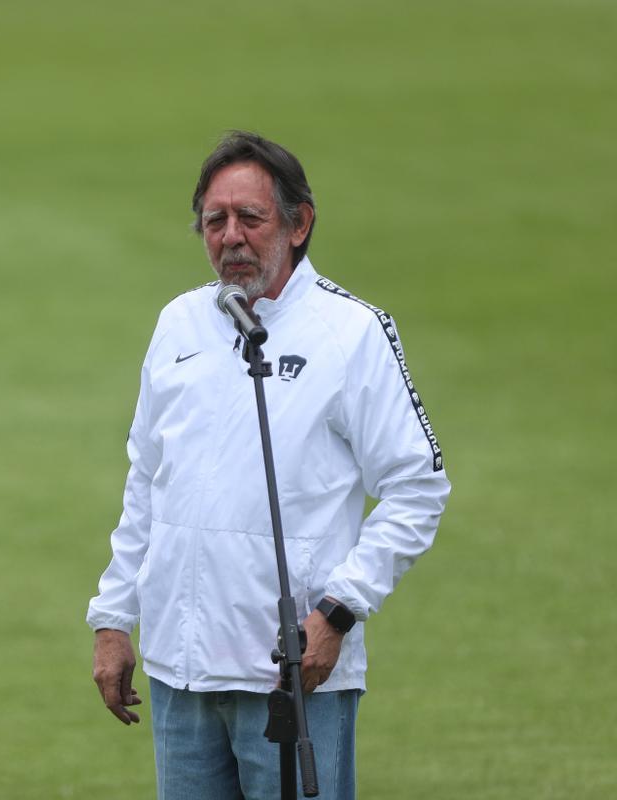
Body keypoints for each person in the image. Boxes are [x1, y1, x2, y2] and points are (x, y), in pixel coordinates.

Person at [86, 130, 450, 799]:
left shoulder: (351, 333)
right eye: (214, 220)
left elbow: (417, 486)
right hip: (181, 676)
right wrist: (113, 618)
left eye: (250, 218)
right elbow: (145, 482)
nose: (230, 237)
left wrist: (340, 612)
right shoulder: (179, 324)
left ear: (299, 223)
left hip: (292, 679)